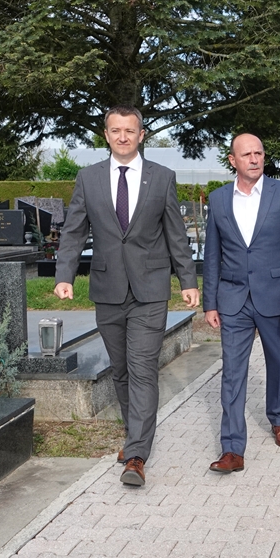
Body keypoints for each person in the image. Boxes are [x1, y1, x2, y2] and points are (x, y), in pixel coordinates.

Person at [54, 105, 199, 487]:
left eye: (129, 131)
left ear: (141, 135)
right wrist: (64, 275)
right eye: (116, 130)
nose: (123, 137)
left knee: (142, 368)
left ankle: (136, 454)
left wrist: (188, 280)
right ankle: (134, 433)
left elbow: (176, 234)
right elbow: (74, 230)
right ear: (106, 135)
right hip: (108, 290)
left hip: (150, 291)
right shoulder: (88, 178)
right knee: (121, 370)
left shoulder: (162, 177)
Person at [203, 133, 280, 474]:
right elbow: (212, 254)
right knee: (233, 372)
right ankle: (232, 448)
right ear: (232, 160)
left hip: (276, 297)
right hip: (233, 299)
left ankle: (278, 418)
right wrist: (210, 303)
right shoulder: (219, 199)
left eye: (259, 153)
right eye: (247, 154)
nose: (254, 159)